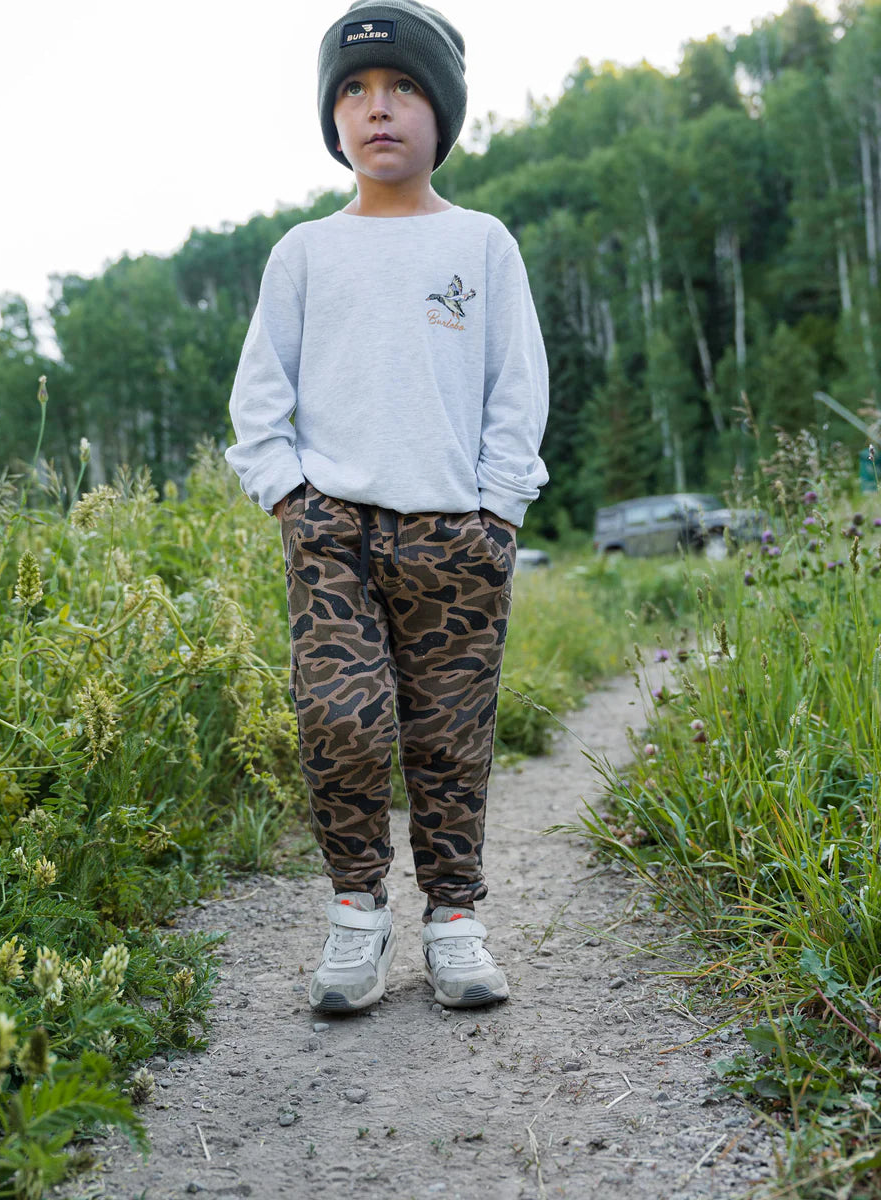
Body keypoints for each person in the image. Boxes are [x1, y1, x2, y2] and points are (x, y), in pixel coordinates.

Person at [224, 0, 549, 1013]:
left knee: (449, 734)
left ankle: (453, 920)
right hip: (334, 531)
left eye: (404, 88)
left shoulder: (483, 244)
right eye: (356, 92)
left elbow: (516, 387)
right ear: (332, 121)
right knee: (340, 716)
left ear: (441, 114)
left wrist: (499, 511)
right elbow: (258, 397)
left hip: (456, 531)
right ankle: (357, 914)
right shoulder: (306, 253)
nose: (379, 110)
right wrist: (286, 493)